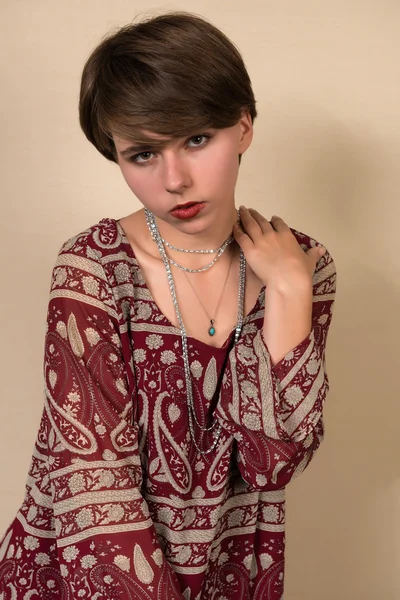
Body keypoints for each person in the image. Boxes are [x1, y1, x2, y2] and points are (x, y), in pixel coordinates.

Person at [0, 11, 336, 600]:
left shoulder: (302, 266)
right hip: (84, 578)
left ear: (244, 125)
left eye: (197, 139)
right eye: (143, 154)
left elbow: (271, 465)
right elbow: (93, 487)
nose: (174, 179)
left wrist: (288, 291)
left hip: (231, 576)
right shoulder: (94, 268)